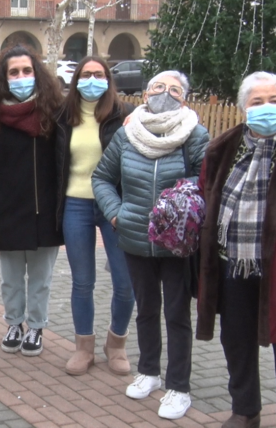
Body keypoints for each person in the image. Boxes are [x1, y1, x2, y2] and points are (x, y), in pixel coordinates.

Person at [92, 71, 209, 420]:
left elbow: (208, 178)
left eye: (175, 90)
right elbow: (101, 177)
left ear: (185, 99)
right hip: (134, 236)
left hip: (177, 242)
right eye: (159, 87)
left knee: (176, 314)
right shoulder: (128, 134)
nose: (166, 93)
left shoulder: (195, 134)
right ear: (145, 94)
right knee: (145, 309)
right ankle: (149, 372)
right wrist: (116, 214)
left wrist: (181, 201)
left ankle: (178, 387)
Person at [196, 72, 276, 428]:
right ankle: (245, 409)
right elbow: (207, 191)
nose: (266, 108)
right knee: (236, 338)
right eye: (256, 102)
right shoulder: (223, 148)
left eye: (274, 101)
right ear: (243, 109)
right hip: (233, 263)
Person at [0, 45, 64, 357]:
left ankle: (37, 326)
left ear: (37, 73)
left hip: (45, 210)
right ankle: (14, 323)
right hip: (7, 209)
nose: (21, 77)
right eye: (13, 72)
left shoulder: (54, 112)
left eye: (26, 71)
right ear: (4, 77)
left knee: (41, 279)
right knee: (11, 279)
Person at [55, 56, 135, 376]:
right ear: (76, 80)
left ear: (108, 79)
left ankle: (116, 345)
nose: (92, 80)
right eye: (86, 74)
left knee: (125, 283)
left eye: (98, 74)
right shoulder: (63, 115)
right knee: (82, 282)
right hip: (75, 205)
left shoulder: (124, 115)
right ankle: (83, 348)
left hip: (114, 206)